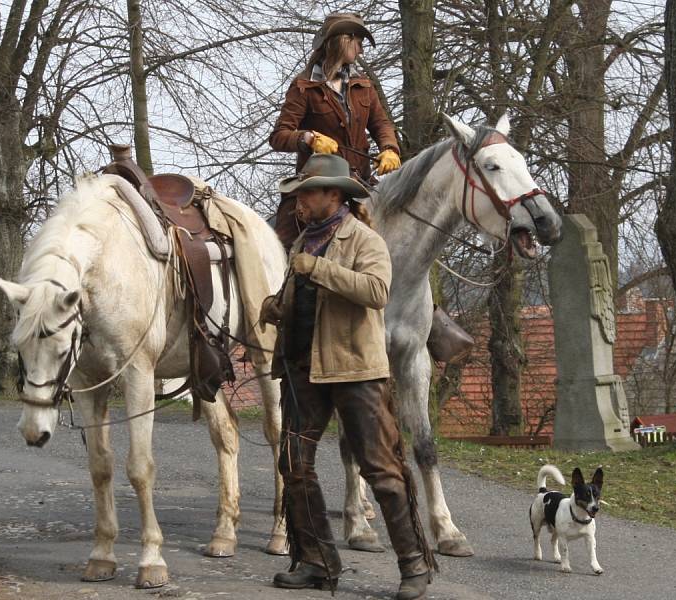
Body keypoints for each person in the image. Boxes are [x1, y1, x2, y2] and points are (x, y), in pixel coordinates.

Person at [260, 154, 435, 600]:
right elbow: (303, 300)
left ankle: (414, 566)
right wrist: (276, 307)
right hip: (303, 370)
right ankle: (317, 560)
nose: (300, 200)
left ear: (334, 195)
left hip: (357, 371)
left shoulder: (365, 240)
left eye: (308, 192)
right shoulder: (302, 241)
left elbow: (376, 292)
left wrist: (318, 270)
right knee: (294, 466)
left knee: (382, 470)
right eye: (298, 193)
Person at [269, 11, 401, 248]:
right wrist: (308, 138)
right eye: (358, 43)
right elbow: (279, 136)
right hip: (317, 185)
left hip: (361, 183)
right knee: (283, 244)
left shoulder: (364, 86)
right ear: (343, 40)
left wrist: (390, 149)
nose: (360, 50)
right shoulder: (304, 88)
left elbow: (381, 124)